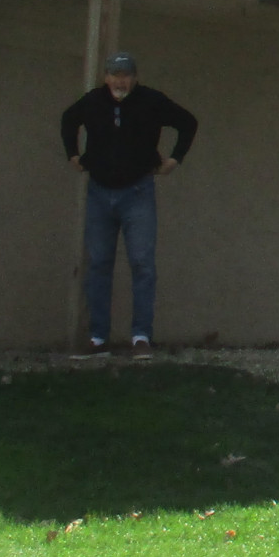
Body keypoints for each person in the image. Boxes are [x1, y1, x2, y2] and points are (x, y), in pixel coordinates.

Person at [60, 52, 197, 353]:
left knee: (142, 263)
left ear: (134, 77)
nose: (120, 80)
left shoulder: (151, 101)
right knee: (98, 264)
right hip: (99, 192)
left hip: (138, 192)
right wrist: (72, 154)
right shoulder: (94, 101)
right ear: (106, 77)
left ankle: (141, 337)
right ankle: (97, 337)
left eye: (125, 75)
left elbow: (188, 122)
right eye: (114, 74)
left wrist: (175, 160)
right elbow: (69, 120)